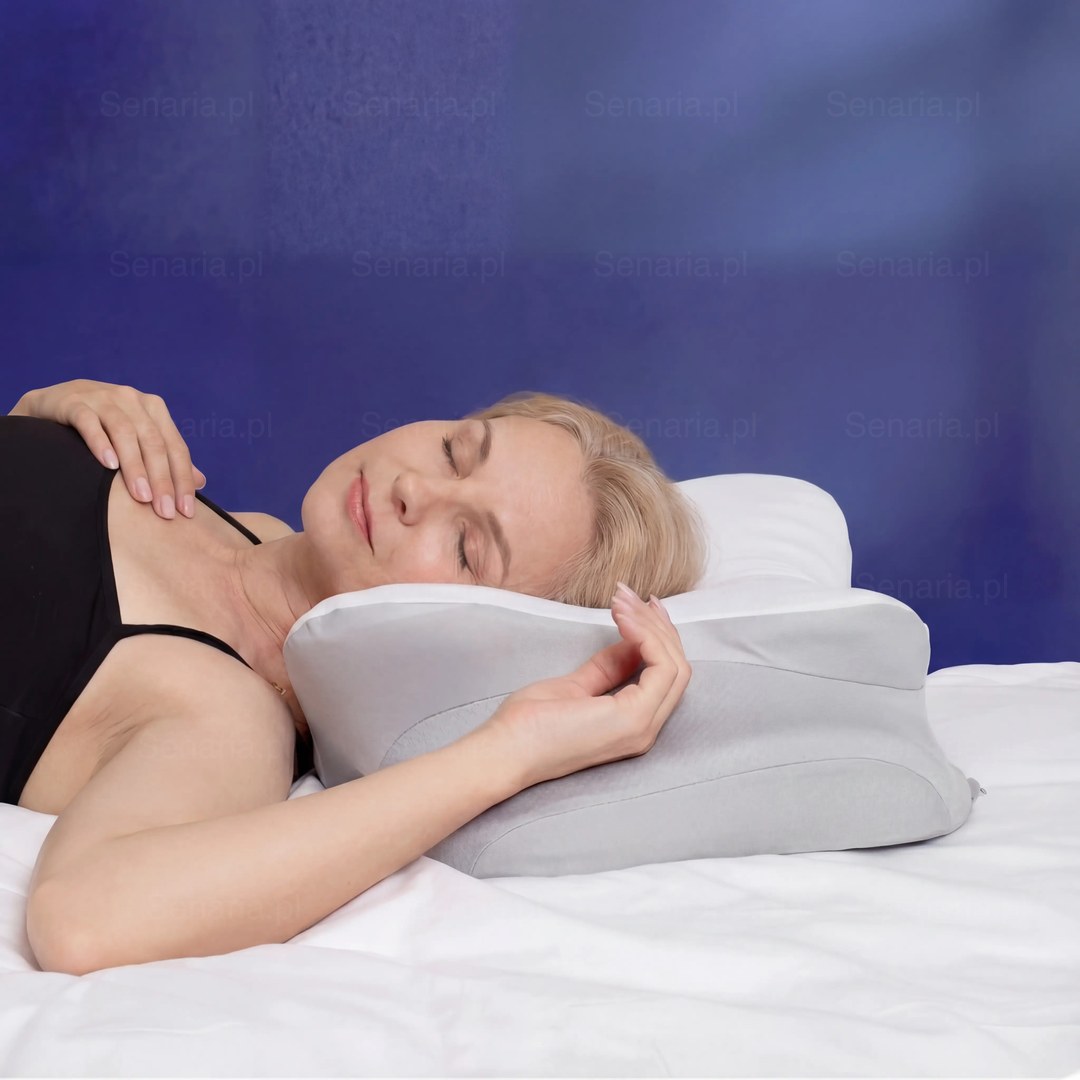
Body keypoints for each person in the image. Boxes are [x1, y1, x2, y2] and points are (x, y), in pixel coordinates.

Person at [3, 379, 705, 975]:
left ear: (480, 631)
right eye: (454, 451)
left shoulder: (230, 715)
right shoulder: (251, 530)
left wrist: (507, 752)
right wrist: (41, 414)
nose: (413, 489)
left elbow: (83, 921)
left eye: (467, 547)